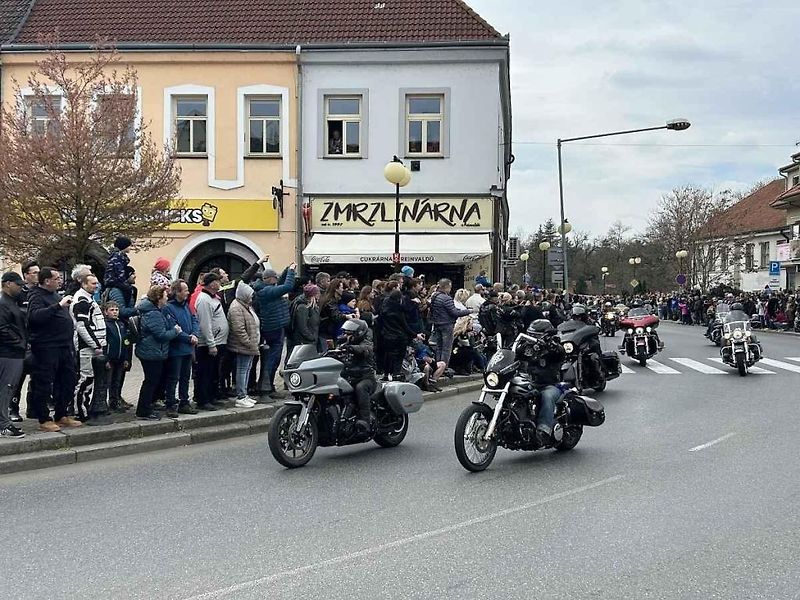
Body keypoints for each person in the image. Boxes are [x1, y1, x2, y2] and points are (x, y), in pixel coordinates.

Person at [27, 267, 82, 432]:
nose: (60, 281)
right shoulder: (36, 296)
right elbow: (35, 317)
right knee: (44, 382)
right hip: (46, 346)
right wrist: (58, 306)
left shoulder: (55, 294)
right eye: (57, 278)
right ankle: (44, 418)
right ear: (46, 281)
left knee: (67, 380)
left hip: (64, 346)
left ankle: (62, 414)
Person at [135, 286, 180, 420]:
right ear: (159, 298)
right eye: (165, 296)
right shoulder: (153, 313)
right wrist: (175, 331)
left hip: (154, 351)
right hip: (151, 352)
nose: (167, 298)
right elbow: (160, 334)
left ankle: (149, 405)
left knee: (153, 380)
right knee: (151, 381)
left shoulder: (156, 310)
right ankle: (143, 410)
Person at [254, 262, 297, 399]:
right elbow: (288, 286)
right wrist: (291, 272)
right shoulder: (267, 291)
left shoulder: (267, 288)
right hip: (273, 330)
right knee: (271, 360)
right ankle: (265, 389)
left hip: (276, 328)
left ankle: (270, 386)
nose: (277, 279)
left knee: (274, 359)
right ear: (269, 279)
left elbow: (281, 282)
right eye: (275, 277)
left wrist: (286, 269)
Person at [71, 273, 110, 424]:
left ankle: (83, 409)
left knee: (90, 379)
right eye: (93, 283)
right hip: (87, 348)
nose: (96, 286)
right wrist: (96, 345)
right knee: (86, 379)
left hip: (93, 346)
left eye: (97, 283)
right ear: (84, 284)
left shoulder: (88, 299)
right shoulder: (82, 300)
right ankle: (79, 411)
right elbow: (82, 326)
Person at [524, 319, 567, 446]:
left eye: (535, 336)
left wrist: (549, 345)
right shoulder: (527, 347)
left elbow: (560, 354)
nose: (531, 338)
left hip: (550, 385)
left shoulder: (555, 348)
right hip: (530, 382)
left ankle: (543, 430)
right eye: (530, 335)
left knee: (547, 397)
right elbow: (513, 353)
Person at [9, 260, 40, 423]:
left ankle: (33, 407)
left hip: (37, 340)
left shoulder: (40, 292)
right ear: (26, 274)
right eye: (34, 272)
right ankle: (12, 408)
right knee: (17, 378)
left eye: (38, 272)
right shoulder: (19, 293)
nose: (37, 275)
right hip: (21, 341)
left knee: (36, 376)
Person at [164, 279, 200, 417]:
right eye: (185, 290)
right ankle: (170, 404)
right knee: (173, 377)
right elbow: (173, 327)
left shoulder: (186, 305)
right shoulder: (168, 307)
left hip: (188, 348)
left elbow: (194, 319)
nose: (188, 292)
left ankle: (184, 402)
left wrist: (195, 334)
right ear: (177, 292)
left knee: (185, 377)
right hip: (176, 349)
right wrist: (188, 337)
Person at [194, 273, 229, 410]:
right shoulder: (204, 300)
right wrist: (211, 344)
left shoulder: (213, 298)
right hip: (208, 344)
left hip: (219, 341)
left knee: (214, 372)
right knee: (205, 372)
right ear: (211, 284)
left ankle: (212, 396)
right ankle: (203, 399)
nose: (219, 283)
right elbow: (205, 324)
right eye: (217, 280)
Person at [0, 273, 27, 438]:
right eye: (17, 284)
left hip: (14, 351)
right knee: (6, 388)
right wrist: (20, 342)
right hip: (9, 353)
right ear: (7, 284)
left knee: (8, 388)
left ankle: (4, 422)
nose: (20, 287)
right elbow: (2, 329)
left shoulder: (11, 302)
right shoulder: (3, 304)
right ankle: (3, 424)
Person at [337, 319, 376, 431]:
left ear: (358, 333)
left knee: (361, 388)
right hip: (348, 378)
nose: (346, 336)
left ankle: (365, 421)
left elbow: (365, 349)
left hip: (365, 378)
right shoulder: (343, 344)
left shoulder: (366, 343)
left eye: (349, 333)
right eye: (345, 333)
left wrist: (351, 348)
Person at [226, 282, 260, 408]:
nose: (252, 298)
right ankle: (241, 396)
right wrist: (249, 342)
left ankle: (244, 394)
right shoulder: (236, 308)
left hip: (250, 344)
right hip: (243, 345)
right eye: (250, 296)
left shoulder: (245, 305)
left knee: (247, 369)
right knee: (242, 370)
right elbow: (239, 329)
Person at [429, 278, 472, 368]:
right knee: (446, 348)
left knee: (439, 346)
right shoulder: (446, 298)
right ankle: (444, 367)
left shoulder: (434, 296)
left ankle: (437, 365)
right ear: (447, 287)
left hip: (437, 323)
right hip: (447, 324)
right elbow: (454, 313)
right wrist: (468, 311)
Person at [379, 289, 419, 380]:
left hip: (387, 336)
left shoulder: (384, 310)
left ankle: (385, 374)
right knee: (398, 358)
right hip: (399, 337)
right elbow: (405, 326)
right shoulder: (398, 311)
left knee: (388, 356)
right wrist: (415, 335)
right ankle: (395, 374)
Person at [102, 301, 130, 413]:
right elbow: (104, 343)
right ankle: (103, 403)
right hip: (110, 358)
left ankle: (115, 401)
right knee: (107, 381)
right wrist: (105, 358)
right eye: (112, 310)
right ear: (106, 312)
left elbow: (126, 341)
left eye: (116, 310)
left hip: (120, 358)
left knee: (117, 381)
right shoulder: (105, 325)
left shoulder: (122, 324)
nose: (114, 312)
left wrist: (126, 358)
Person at [289, 283, 321, 358]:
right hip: (304, 342)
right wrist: (311, 338)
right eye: (318, 293)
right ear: (313, 295)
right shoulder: (303, 308)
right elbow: (302, 327)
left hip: (311, 340)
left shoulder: (313, 306)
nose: (319, 295)